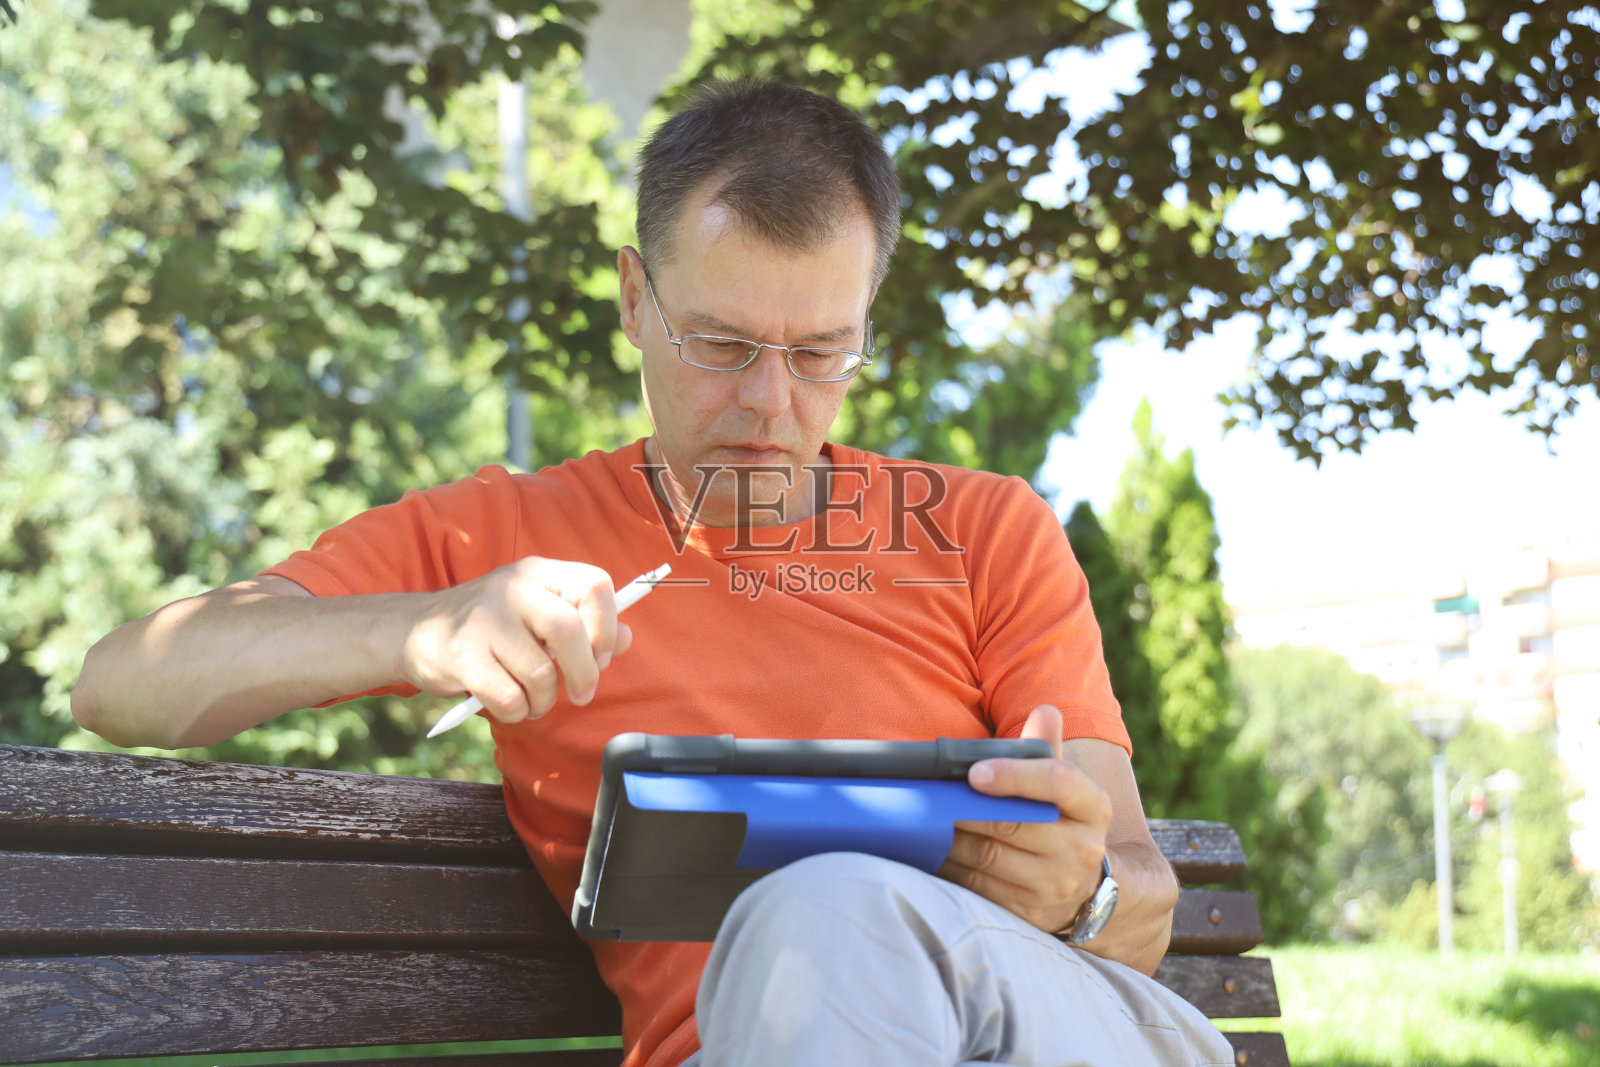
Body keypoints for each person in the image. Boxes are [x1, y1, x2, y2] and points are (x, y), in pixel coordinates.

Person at [72, 79, 1236, 1067]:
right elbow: (123, 683)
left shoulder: (985, 528)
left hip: (1052, 1021)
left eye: (822, 352)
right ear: (636, 298)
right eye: (721, 345)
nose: (769, 403)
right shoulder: (502, 542)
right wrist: (418, 630)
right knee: (814, 920)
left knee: (821, 903)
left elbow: (1137, 906)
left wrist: (1078, 895)